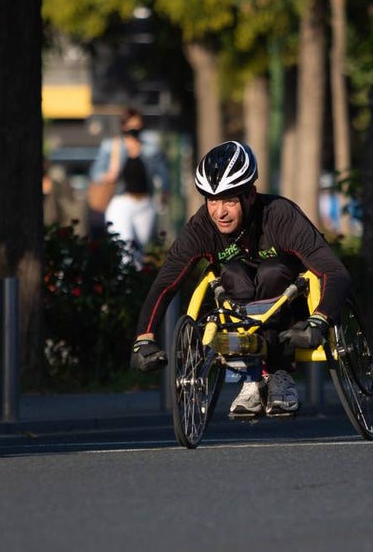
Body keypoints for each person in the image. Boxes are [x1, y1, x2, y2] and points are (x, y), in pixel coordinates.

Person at [130, 141, 352, 418]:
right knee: (233, 272)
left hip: (292, 309)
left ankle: (278, 373)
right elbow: (165, 283)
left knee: (272, 271)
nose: (219, 212)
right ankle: (251, 377)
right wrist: (144, 337)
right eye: (212, 200)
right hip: (237, 306)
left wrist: (320, 319)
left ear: (250, 195)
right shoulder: (201, 227)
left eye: (229, 201)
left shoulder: (281, 215)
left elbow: (335, 272)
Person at [89, 107, 170, 265]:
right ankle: (123, 282)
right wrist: (108, 174)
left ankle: (135, 285)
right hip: (121, 202)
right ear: (123, 126)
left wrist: (164, 192)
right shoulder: (112, 146)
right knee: (125, 247)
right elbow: (95, 173)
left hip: (145, 204)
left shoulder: (150, 149)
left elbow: (163, 174)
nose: (134, 129)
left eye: (138, 125)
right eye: (131, 125)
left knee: (139, 251)